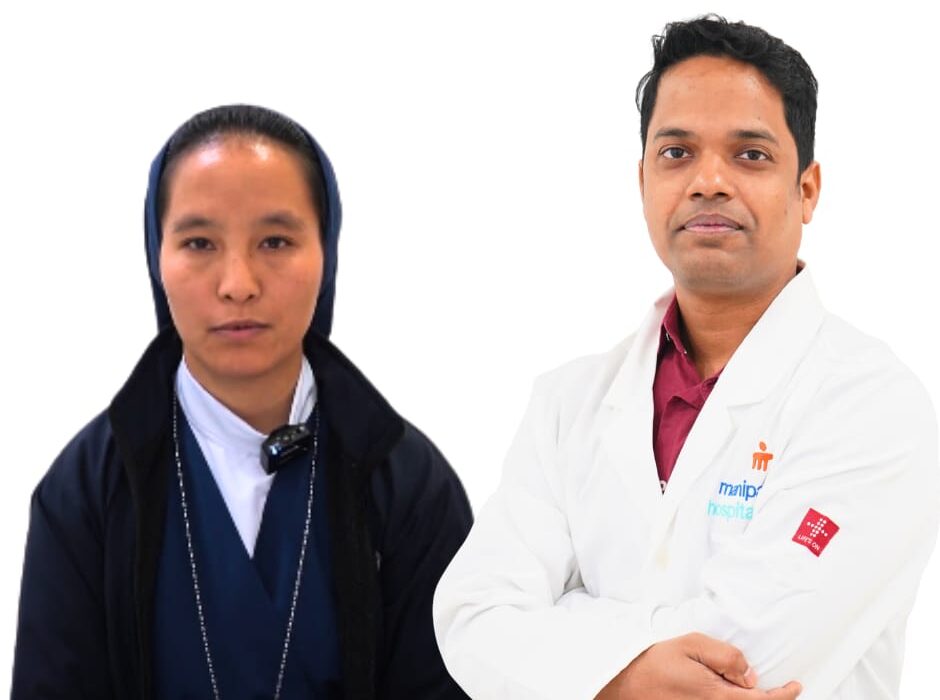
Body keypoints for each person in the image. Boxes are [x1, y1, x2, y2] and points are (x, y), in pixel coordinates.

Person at [433, 15, 939, 700]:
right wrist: (631, 676)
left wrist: (567, 644)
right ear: (642, 179)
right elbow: (471, 620)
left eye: (750, 154)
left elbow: (753, 658)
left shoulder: (873, 406)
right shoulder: (567, 404)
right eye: (676, 152)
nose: (709, 181)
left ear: (807, 189)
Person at [13, 104, 472, 699]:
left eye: (275, 241)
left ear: (326, 252)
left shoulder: (411, 488)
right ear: (157, 257)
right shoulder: (83, 492)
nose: (238, 284)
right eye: (199, 242)